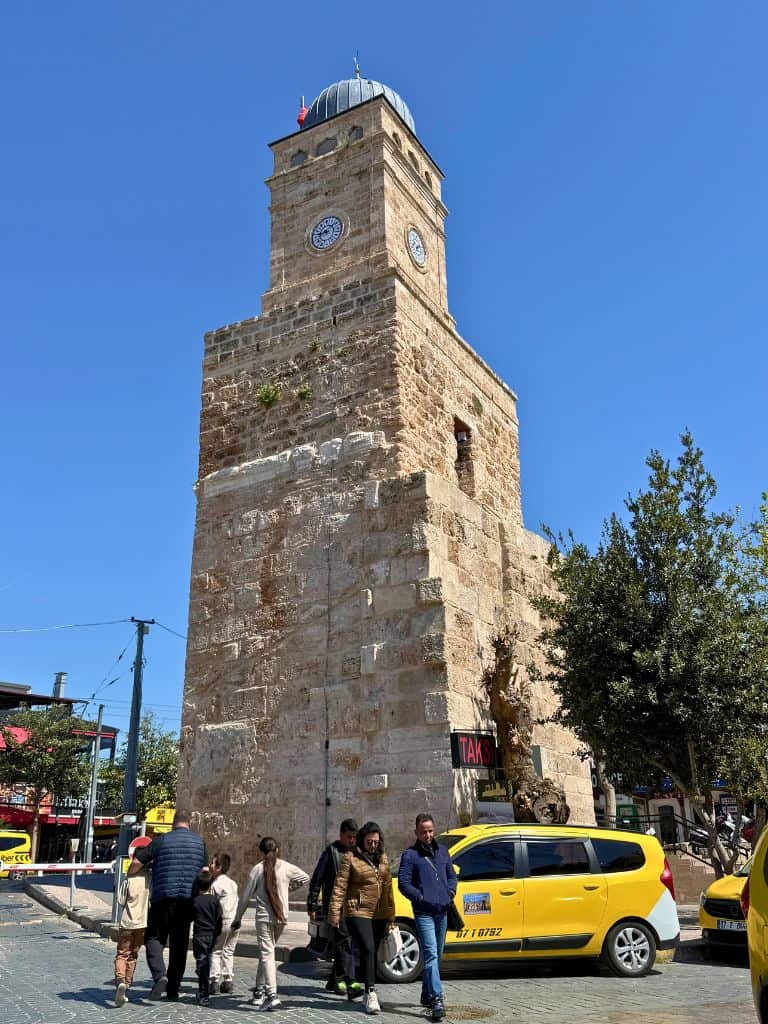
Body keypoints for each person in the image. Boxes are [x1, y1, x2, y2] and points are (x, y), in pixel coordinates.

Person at [129, 810, 208, 1001]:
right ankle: (173, 989)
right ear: (188, 823)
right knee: (179, 945)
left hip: (162, 898)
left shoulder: (162, 840)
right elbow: (205, 871)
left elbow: (138, 861)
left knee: (154, 938)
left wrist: (130, 875)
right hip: (187, 901)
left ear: (173, 823)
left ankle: (159, 975)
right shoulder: (200, 843)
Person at [231, 836, 309, 1012]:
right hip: (281, 917)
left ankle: (271, 995)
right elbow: (305, 878)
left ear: (261, 852)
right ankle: (258, 992)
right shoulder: (286, 867)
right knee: (266, 952)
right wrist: (288, 889)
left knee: (267, 954)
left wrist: (237, 918)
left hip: (264, 917)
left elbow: (244, 897)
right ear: (277, 851)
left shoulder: (257, 870)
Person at [328, 821, 396, 1016]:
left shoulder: (382, 858)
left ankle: (367, 990)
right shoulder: (350, 858)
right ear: (362, 840)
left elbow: (388, 887)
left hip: (379, 912)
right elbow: (339, 887)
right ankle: (372, 993)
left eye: (376, 841)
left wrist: (391, 913)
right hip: (357, 910)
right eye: (369, 841)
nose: (373, 845)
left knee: (372, 953)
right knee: (367, 947)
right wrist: (334, 913)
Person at [397, 814, 456, 1022]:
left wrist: (451, 891)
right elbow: (403, 883)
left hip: (442, 911)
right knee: (430, 953)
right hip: (423, 912)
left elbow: (451, 876)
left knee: (437, 955)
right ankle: (437, 999)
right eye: (423, 831)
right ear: (416, 833)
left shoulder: (443, 851)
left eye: (430, 830)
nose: (428, 835)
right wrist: (419, 897)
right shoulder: (410, 855)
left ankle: (425, 993)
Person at [307, 818, 363, 999]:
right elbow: (317, 879)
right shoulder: (331, 853)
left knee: (343, 943)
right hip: (335, 907)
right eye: (349, 837)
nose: (352, 841)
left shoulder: (357, 853)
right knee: (344, 942)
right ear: (341, 835)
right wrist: (312, 902)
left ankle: (335, 979)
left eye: (354, 837)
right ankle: (350, 981)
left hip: (354, 907)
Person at [113, 850, 150, 1007]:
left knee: (122, 954)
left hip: (127, 922)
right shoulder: (149, 878)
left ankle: (120, 980)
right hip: (142, 924)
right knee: (133, 955)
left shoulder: (129, 879)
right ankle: (127, 985)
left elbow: (120, 901)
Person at [191, 867, 223, 1005]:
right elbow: (219, 919)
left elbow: (190, 917)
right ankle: (204, 983)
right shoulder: (214, 901)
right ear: (210, 884)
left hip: (199, 936)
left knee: (201, 962)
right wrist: (217, 933)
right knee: (207, 960)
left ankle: (203, 993)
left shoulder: (195, 901)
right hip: (211, 935)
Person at [209, 852, 239, 995]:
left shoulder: (216, 884)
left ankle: (214, 981)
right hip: (235, 920)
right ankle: (228, 980)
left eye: (213, 863)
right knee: (228, 951)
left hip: (222, 920)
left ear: (219, 867)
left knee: (216, 950)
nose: (210, 865)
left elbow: (212, 905)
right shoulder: (232, 883)